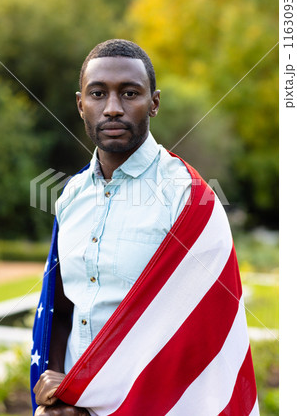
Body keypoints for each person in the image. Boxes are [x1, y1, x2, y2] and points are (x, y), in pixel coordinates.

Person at [31, 39, 259, 415]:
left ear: (154, 103)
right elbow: (63, 306)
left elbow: (200, 334)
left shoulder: (190, 200)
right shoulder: (69, 196)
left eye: (130, 93)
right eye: (98, 94)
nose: (113, 108)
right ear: (80, 104)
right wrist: (59, 386)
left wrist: (99, 393)